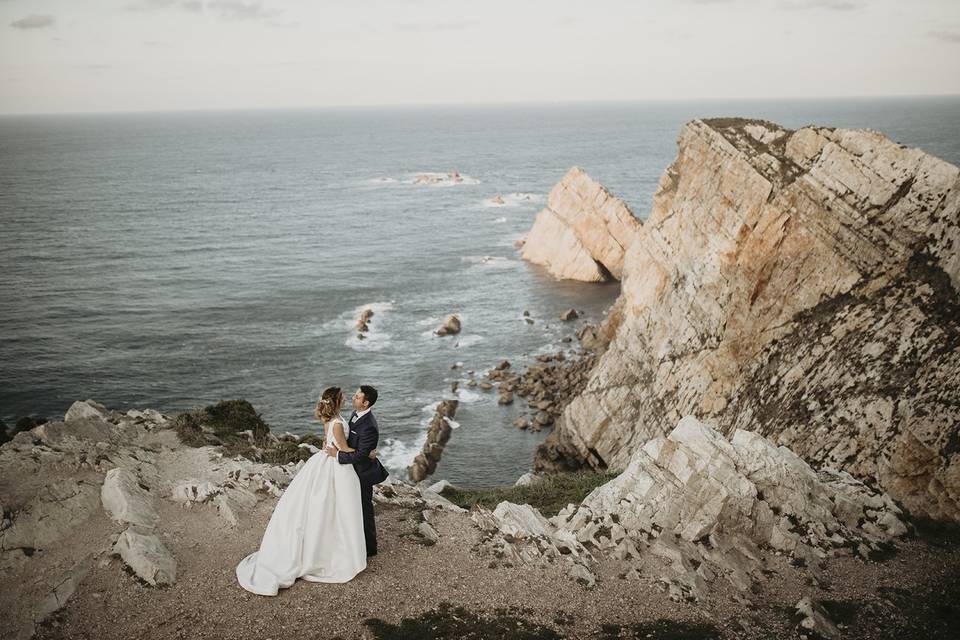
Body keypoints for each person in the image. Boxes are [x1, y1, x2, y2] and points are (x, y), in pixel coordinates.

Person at [236, 386, 376, 595]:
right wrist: (369, 455)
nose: (348, 398)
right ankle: (335, 550)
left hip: (324, 460)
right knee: (336, 506)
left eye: (353, 396)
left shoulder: (330, 419)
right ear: (336, 402)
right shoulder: (337, 422)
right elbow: (345, 449)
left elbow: (328, 442)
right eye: (344, 397)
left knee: (324, 506)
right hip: (335, 466)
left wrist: (333, 447)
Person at [325, 385, 389, 557]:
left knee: (364, 509)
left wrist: (337, 454)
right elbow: (353, 442)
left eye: (357, 396)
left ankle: (369, 548)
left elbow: (360, 456)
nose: (353, 398)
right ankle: (351, 541)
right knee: (350, 508)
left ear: (366, 403)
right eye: (354, 395)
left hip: (362, 473)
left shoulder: (370, 425)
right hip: (349, 470)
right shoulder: (355, 414)